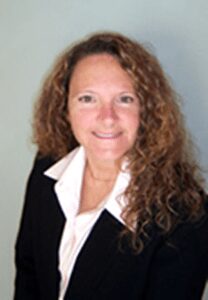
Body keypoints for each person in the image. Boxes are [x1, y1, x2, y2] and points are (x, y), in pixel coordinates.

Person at [14, 32, 208, 300]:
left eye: (125, 98)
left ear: (147, 109)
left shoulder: (186, 214)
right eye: (87, 99)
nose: (107, 117)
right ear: (65, 108)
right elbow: (28, 272)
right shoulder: (48, 165)